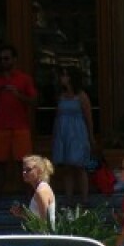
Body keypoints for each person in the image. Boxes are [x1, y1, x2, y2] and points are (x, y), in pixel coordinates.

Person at [0, 44, 37, 189]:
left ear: (14, 59)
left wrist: (18, 95)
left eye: (6, 58)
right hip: (0, 128)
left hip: (20, 128)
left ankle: (29, 203)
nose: (3, 62)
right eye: (1, 59)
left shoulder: (24, 79)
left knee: (25, 166)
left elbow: (35, 101)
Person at [51, 66, 95, 203]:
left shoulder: (81, 96)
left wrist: (91, 137)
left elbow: (88, 117)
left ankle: (85, 199)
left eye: (65, 75)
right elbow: (57, 117)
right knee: (67, 168)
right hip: (63, 134)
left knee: (80, 166)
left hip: (78, 134)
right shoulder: (61, 96)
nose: (62, 78)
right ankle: (68, 199)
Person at [8, 155, 56, 229]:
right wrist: (21, 213)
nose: (24, 172)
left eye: (28, 170)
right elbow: (38, 219)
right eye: (23, 170)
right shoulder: (40, 189)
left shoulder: (41, 191)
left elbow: (45, 223)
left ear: (39, 170)